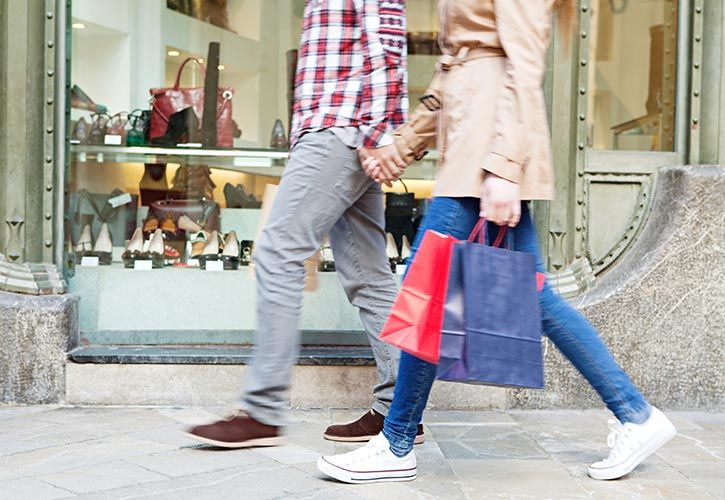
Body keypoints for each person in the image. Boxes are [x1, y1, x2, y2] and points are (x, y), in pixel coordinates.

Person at [317, 0, 677, 483]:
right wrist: (402, 147)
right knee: (530, 298)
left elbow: (524, 64)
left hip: (485, 156)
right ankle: (636, 415)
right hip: (472, 149)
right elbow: (454, 71)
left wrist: (505, 168)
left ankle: (397, 441)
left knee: (428, 294)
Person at [186, 0, 424, 448]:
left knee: (278, 253)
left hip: (340, 131)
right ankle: (401, 409)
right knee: (370, 275)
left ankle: (262, 410)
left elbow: (387, 49)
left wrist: (375, 136)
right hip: (340, 131)